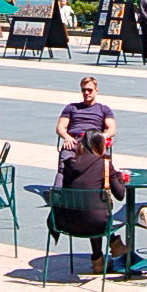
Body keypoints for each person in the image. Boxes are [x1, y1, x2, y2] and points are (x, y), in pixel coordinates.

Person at [50, 129, 126, 275]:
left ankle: (98, 260)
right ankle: (115, 244)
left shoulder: (69, 163)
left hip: (67, 222)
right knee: (95, 212)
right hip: (97, 224)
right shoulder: (104, 164)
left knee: (88, 208)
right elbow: (120, 195)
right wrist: (118, 175)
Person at [53, 77, 116, 188]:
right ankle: (57, 191)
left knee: (104, 161)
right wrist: (66, 137)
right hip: (74, 140)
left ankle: (102, 188)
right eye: (84, 90)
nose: (86, 93)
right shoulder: (71, 108)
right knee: (65, 160)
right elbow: (60, 127)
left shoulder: (104, 109)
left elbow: (112, 129)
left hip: (93, 140)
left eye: (90, 90)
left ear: (96, 90)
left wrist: (102, 136)